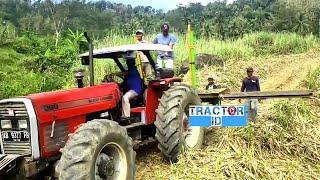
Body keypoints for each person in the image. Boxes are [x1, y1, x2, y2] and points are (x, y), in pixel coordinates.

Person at [121, 51, 144, 120]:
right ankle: (122, 115)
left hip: (135, 90)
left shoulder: (132, 70)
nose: (127, 63)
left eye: (128, 61)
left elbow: (123, 73)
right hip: (132, 89)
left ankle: (127, 116)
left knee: (125, 98)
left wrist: (113, 74)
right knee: (121, 97)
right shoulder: (131, 70)